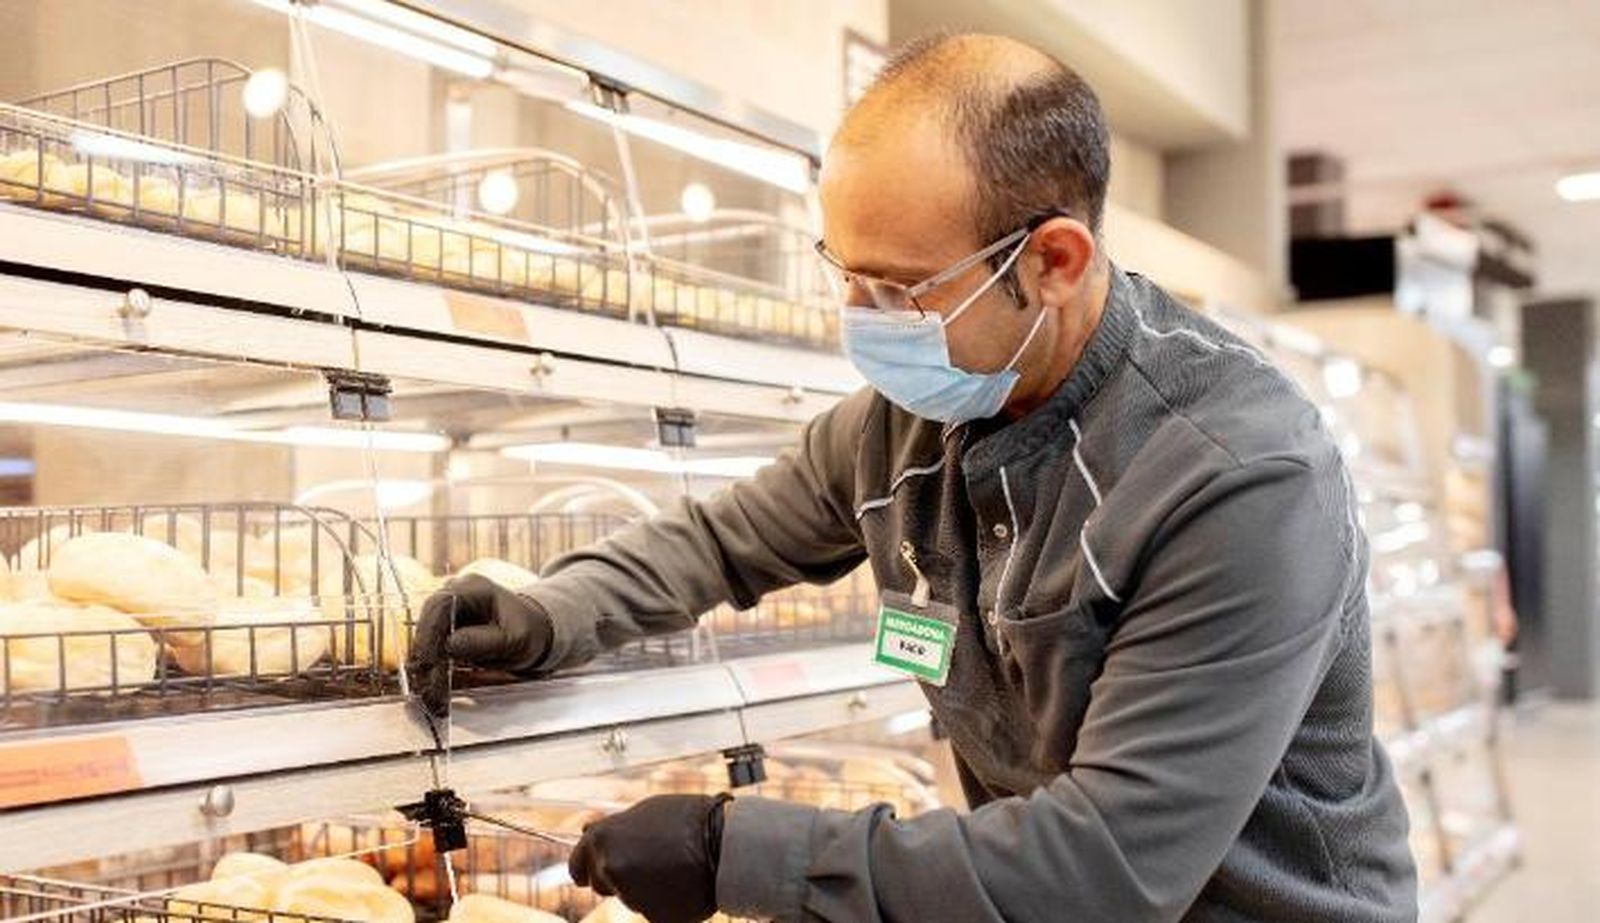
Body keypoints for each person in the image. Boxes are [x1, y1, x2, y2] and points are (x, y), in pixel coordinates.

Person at [410, 32, 1417, 923]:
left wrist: (734, 850)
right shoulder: (917, 419)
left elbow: (1105, 866)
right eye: (843, 273)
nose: (861, 318)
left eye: (895, 287)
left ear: (1054, 261)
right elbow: (723, 538)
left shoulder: (1235, 480)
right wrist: (548, 615)